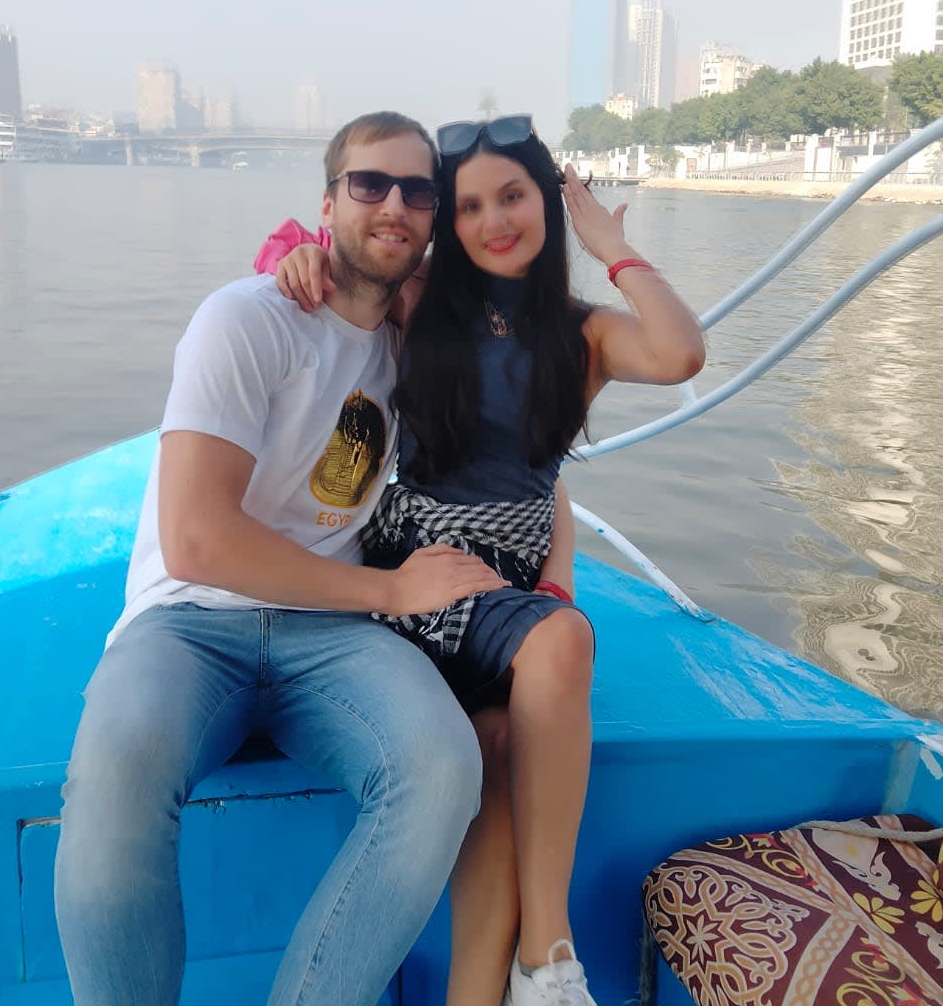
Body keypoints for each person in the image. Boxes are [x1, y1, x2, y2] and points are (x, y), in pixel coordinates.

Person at [53, 111, 511, 1006]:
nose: (395, 205)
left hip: (331, 633)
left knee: (442, 768)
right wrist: (391, 590)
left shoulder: (414, 342)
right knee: (116, 774)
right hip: (188, 620)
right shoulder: (247, 318)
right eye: (370, 184)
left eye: (418, 192)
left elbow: (530, 383)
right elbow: (196, 539)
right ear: (328, 203)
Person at [267, 114, 706, 1006]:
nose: (492, 221)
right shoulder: (422, 301)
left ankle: (489, 990)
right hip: (414, 575)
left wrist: (611, 246)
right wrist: (301, 253)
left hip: (502, 597)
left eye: (512, 197)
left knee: (502, 743)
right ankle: (549, 956)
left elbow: (679, 351)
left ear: (546, 200)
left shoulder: (583, 336)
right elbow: (335, 269)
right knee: (563, 641)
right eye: (468, 206)